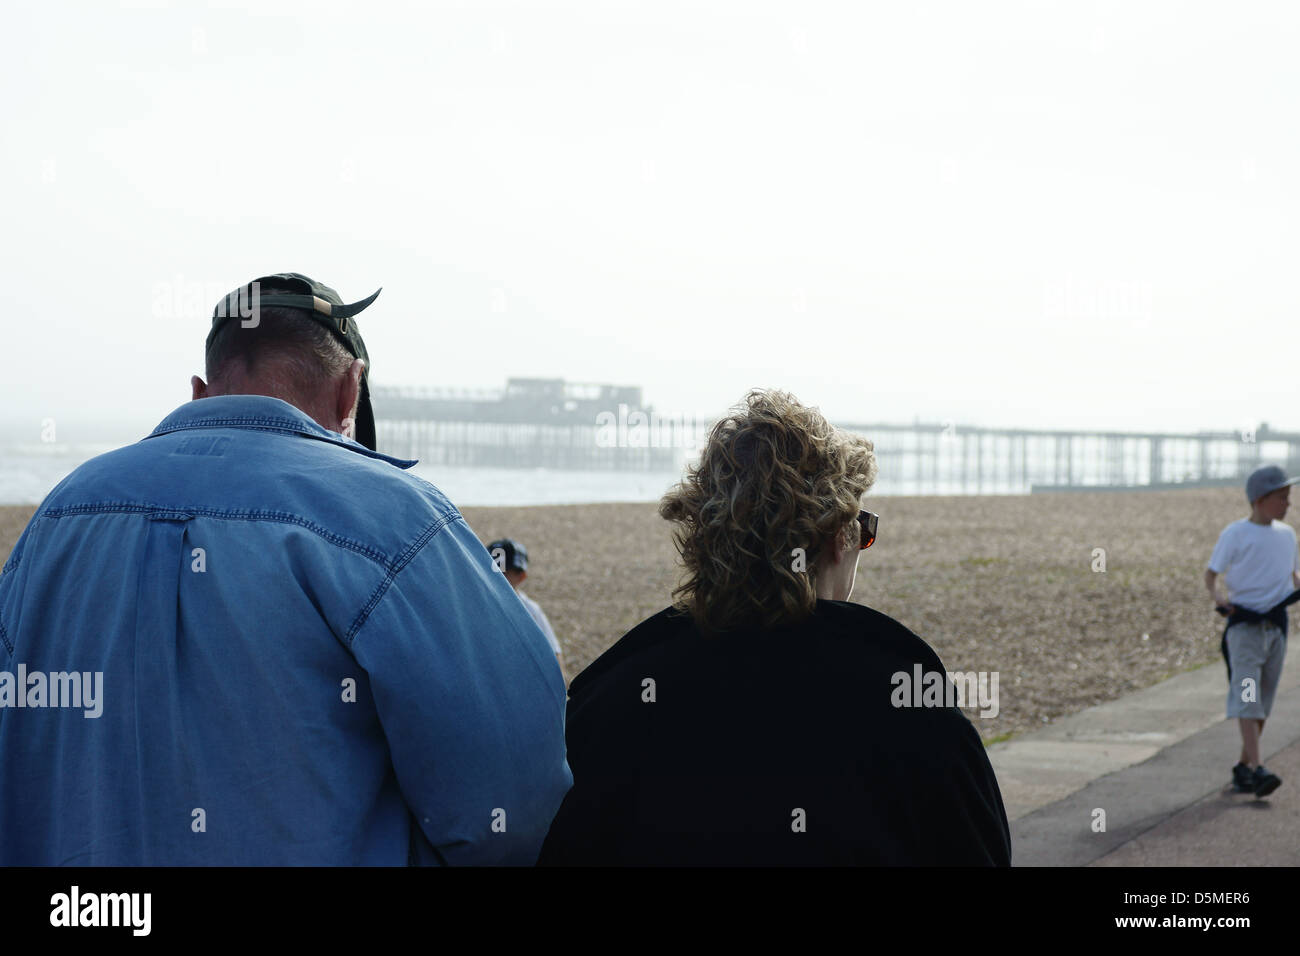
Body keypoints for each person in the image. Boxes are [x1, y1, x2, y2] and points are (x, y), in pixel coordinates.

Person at [0, 272, 571, 865]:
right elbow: (514, 792)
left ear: (200, 392)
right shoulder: (395, 519)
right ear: (351, 392)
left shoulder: (59, 515)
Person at [537, 389, 1011, 866]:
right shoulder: (913, 713)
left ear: (700, 534)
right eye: (863, 528)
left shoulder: (613, 703)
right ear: (836, 539)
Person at [1205, 463, 1300, 798]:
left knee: (1265, 702)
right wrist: (1218, 598)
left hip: (1276, 628)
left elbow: (1295, 578)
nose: (1288, 504)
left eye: (1288, 497)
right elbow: (1211, 574)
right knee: (1249, 697)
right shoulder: (1235, 533)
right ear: (1259, 499)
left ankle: (1244, 768)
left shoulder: (1288, 536)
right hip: (1244, 629)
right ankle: (1259, 769)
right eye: (1281, 497)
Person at [487, 538, 566, 682]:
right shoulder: (477, 606)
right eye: (491, 570)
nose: (495, 577)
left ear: (521, 576)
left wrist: (558, 685)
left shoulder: (530, 610)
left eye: (502, 573)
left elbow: (554, 652)